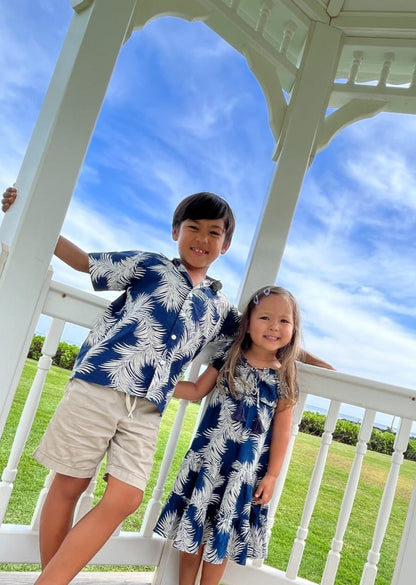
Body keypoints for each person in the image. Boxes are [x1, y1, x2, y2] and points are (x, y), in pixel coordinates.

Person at [1, 187, 332, 585]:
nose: (202, 239)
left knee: (126, 498)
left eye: (214, 232)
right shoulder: (151, 267)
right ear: (176, 231)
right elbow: (84, 262)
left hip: (147, 407)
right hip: (101, 383)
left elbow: (262, 333)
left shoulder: (221, 309)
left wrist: (307, 358)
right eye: (193, 227)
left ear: (225, 245)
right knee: (70, 483)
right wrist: (37, 214)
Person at [154, 285, 306, 585]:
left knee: (219, 540)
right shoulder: (229, 356)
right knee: (192, 531)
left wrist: (272, 476)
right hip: (207, 464)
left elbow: (281, 434)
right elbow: (197, 390)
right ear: (247, 323)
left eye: (284, 321)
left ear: (294, 328)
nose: (274, 326)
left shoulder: (284, 377)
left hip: (242, 475)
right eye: (265, 317)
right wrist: (157, 384)